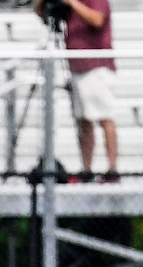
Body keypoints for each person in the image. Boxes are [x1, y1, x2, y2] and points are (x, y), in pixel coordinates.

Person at [35, 0, 119, 183]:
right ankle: (86, 169)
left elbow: (97, 20)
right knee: (83, 120)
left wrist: (72, 2)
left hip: (96, 66)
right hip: (77, 66)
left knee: (104, 117)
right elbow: (43, 16)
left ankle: (112, 170)